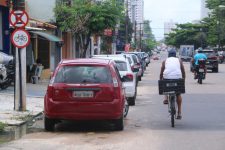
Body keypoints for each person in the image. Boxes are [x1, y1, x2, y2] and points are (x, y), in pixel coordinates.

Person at [160, 49, 186, 119]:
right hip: (177, 78)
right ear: (175, 55)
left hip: (167, 77)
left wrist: (161, 80)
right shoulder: (179, 61)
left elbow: (162, 72)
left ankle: (165, 98)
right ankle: (179, 113)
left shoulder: (165, 61)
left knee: (164, 83)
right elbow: (183, 71)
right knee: (178, 94)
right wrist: (183, 80)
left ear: (168, 55)